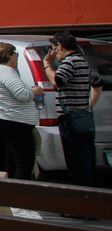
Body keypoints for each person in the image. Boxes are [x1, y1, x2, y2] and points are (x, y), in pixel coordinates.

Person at [44, 31, 102, 187]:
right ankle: (89, 195)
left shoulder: (69, 62)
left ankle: (81, 200)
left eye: (53, 48)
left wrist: (47, 64)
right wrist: (89, 105)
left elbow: (57, 81)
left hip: (70, 119)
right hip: (83, 117)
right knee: (86, 160)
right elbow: (97, 82)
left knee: (75, 161)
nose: (52, 53)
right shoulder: (82, 61)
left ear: (59, 47)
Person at [0, 41, 42, 180]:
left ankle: (12, 193)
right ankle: (21, 195)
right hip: (15, 121)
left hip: (4, 119)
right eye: (15, 54)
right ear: (9, 55)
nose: (16, 57)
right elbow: (22, 95)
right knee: (24, 162)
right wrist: (35, 92)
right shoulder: (6, 71)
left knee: (12, 159)